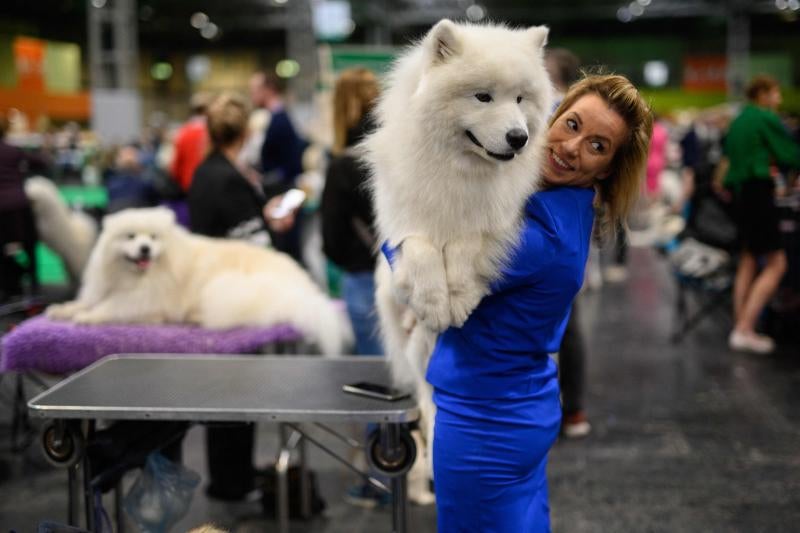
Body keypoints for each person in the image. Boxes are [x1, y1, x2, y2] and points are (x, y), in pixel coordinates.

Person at [426, 74, 653, 532]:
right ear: (553, 114)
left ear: (607, 168)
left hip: (484, 421)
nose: (571, 147)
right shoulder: (561, 207)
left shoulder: (541, 238)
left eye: (597, 146)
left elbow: (432, 274)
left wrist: (401, 226)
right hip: (514, 406)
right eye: (572, 124)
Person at [188, 92, 296, 500]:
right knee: (235, 395)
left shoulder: (208, 171)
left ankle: (231, 478)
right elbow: (254, 247)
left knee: (226, 394)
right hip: (232, 302)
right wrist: (274, 227)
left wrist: (260, 216)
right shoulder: (228, 178)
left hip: (216, 294)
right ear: (246, 131)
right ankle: (232, 483)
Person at [723, 75, 800, 354]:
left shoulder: (738, 120)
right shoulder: (764, 117)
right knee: (778, 264)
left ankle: (739, 325)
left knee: (748, 259)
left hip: (740, 196)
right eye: (776, 93)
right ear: (764, 94)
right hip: (758, 193)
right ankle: (745, 329)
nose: (779, 99)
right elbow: (790, 154)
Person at [545, 48, 592, 438]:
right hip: (565, 232)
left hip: (549, 229)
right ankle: (572, 409)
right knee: (566, 323)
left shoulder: (554, 108)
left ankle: (569, 408)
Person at [321, 67, 382, 356]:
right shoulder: (401, 153)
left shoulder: (343, 166)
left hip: (363, 275)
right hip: (407, 273)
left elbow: (332, 237)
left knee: (376, 369)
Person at [251, 70, 308, 262]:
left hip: (282, 196)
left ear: (268, 89)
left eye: (255, 90)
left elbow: (292, 164)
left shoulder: (280, 120)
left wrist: (266, 179)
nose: (252, 95)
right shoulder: (274, 118)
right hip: (280, 193)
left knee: (287, 253)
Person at [0, 112, 49, 298]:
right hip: (18, 207)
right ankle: (34, 284)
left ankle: (9, 287)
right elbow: (42, 162)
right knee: (29, 245)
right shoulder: (13, 151)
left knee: (3, 251)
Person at [170, 92, 211, 194]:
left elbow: (176, 167)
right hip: (210, 185)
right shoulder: (212, 132)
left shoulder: (183, 132)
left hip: (188, 185)